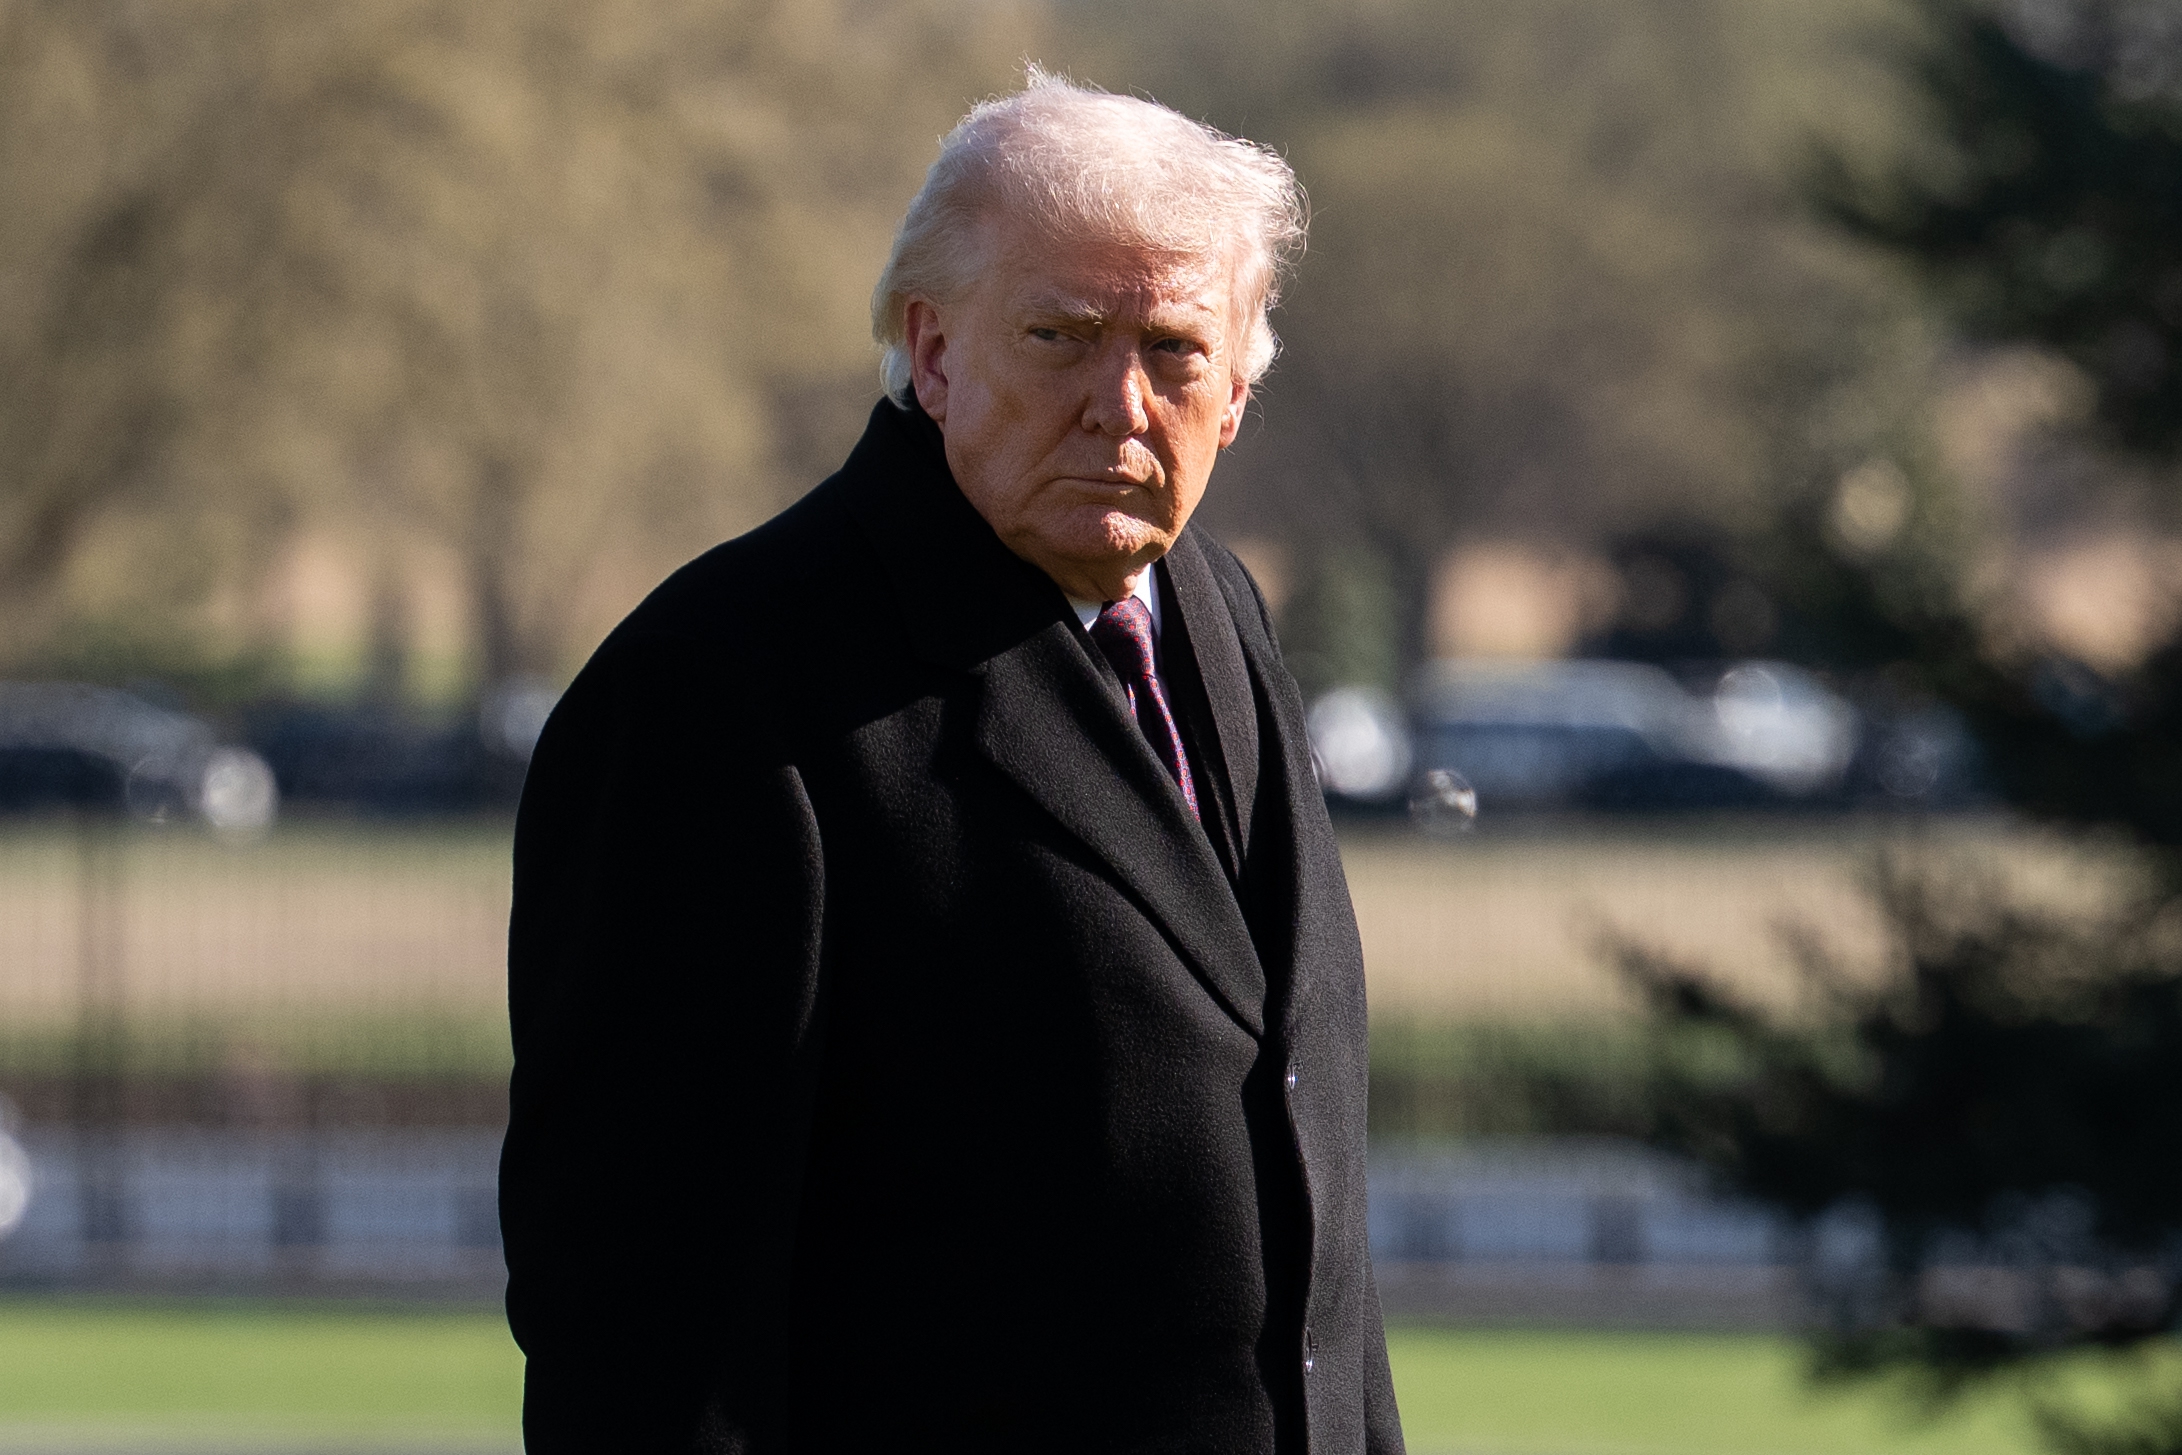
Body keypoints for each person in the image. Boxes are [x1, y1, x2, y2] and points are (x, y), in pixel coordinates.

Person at [499, 71, 1404, 1454]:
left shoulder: (1213, 611)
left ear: (1237, 390)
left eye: (1174, 350)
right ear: (930, 351)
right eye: (1057, 337)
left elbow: (1304, 1217)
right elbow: (641, 1319)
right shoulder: (724, 688)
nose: (1118, 405)